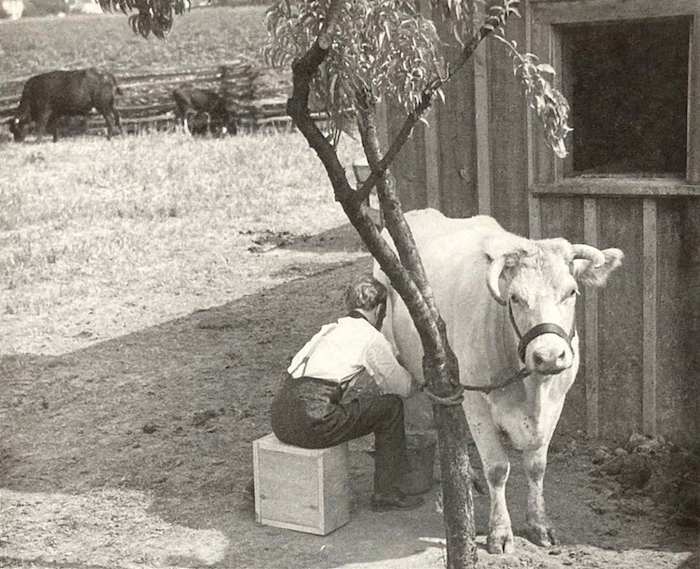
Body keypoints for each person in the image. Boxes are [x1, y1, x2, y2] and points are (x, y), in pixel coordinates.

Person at [269, 273, 425, 511]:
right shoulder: (370, 336)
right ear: (380, 309)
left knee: (359, 405)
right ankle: (387, 493)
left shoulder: (330, 329)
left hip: (280, 418)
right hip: (312, 421)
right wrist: (419, 378)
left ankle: (264, 484)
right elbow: (402, 388)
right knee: (391, 407)